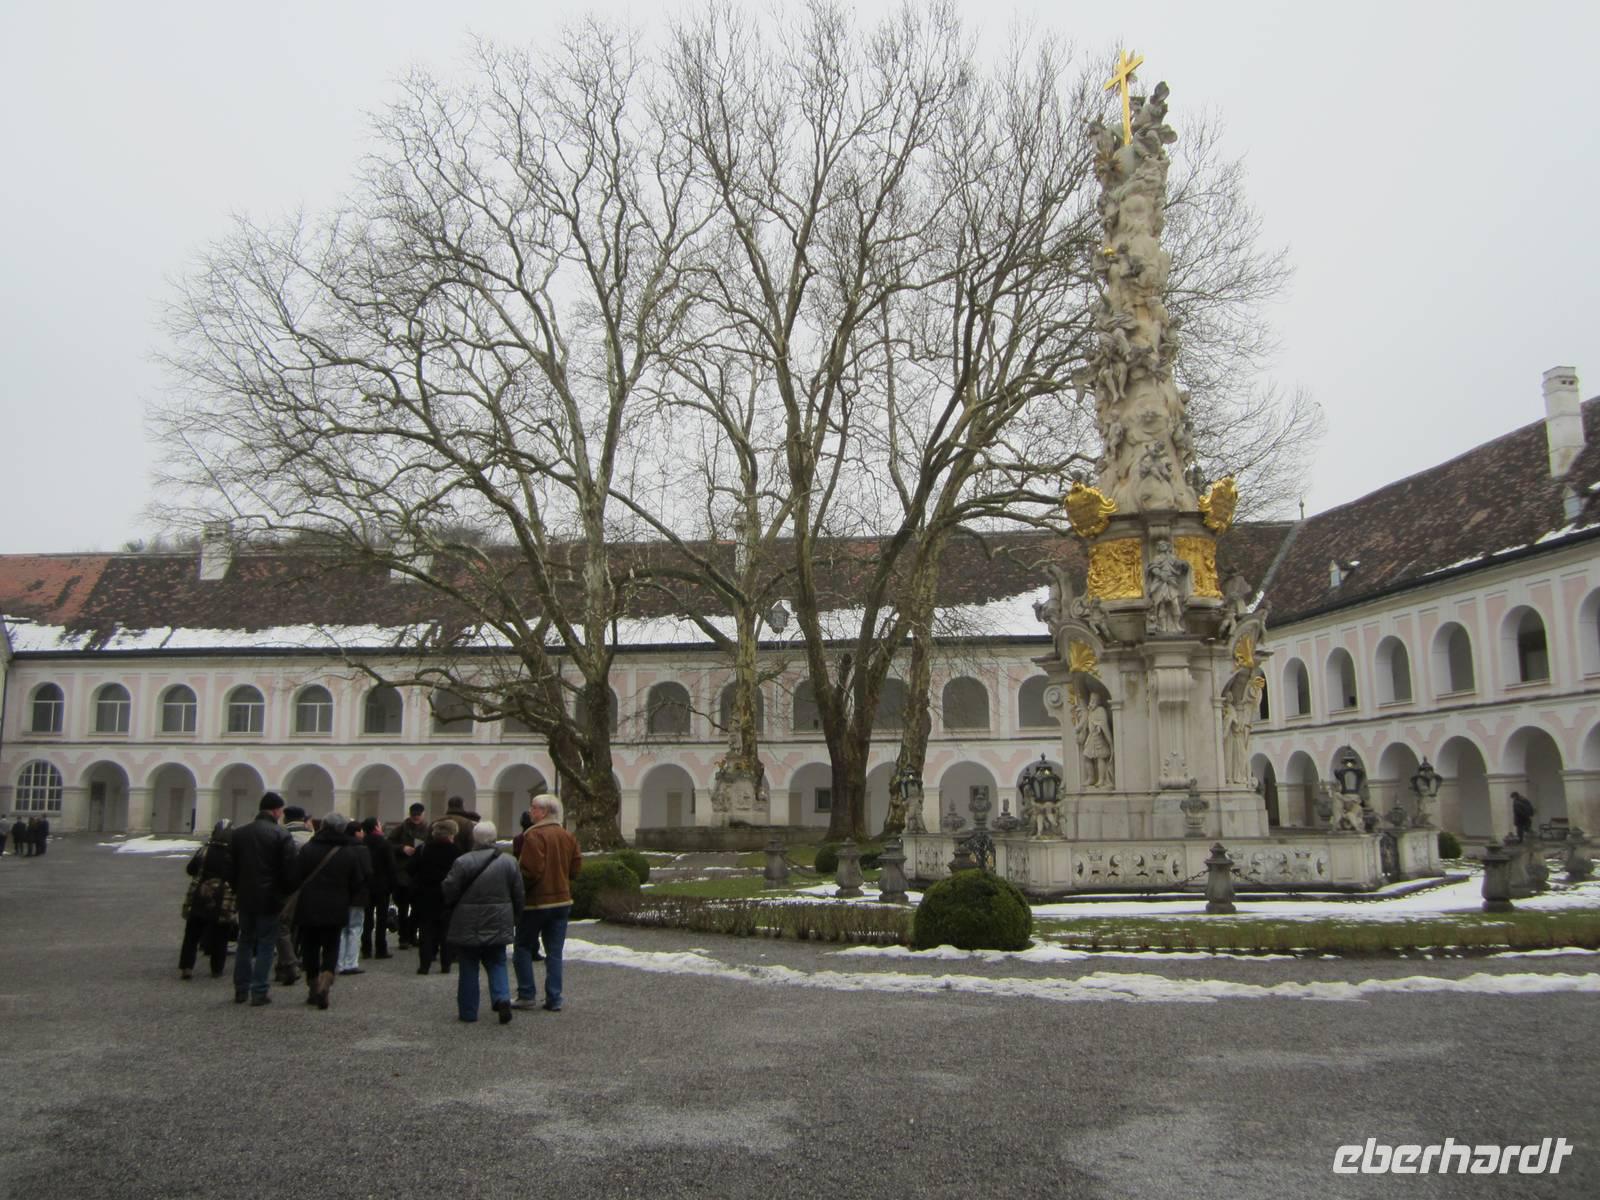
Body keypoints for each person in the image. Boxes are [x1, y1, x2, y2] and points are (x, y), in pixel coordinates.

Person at [442, 821, 523, 1024]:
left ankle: (468, 1012)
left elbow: (449, 889)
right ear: (494, 838)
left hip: (467, 921)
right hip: (499, 919)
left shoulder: (463, 862)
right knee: (497, 961)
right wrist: (516, 916)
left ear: (474, 839)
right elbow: (518, 893)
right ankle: (502, 998)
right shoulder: (509, 862)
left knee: (468, 966)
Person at [290, 812, 371, 1010]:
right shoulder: (348, 852)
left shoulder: (308, 848)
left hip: (309, 905)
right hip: (336, 905)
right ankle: (327, 976)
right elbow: (357, 881)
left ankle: (313, 984)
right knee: (332, 945)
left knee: (310, 946)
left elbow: (295, 876)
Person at [513, 794, 583, 1013]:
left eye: (534, 808)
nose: (530, 811)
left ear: (543, 812)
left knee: (523, 946)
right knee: (554, 952)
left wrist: (520, 887)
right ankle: (554, 997)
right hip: (562, 900)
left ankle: (526, 994)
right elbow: (576, 868)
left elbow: (531, 871)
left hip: (537, 902)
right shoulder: (567, 835)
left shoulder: (533, 835)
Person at [228, 792, 296, 1006]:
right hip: (270, 899)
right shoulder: (281, 834)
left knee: (245, 942)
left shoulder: (239, 834)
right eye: (280, 810)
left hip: (245, 897)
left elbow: (230, 868)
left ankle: (241, 989)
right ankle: (259, 991)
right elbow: (289, 871)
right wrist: (284, 894)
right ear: (276, 810)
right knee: (266, 945)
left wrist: (238, 889)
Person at [179, 819, 236, 980]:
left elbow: (190, 870)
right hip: (224, 898)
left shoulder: (204, 851)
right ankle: (216, 968)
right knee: (221, 935)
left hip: (201, 895)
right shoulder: (233, 854)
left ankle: (187, 966)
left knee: (192, 934)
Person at [272, 806, 315, 986]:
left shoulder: (279, 835)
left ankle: (287, 964)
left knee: (282, 926)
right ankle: (290, 963)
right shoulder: (312, 837)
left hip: (284, 888)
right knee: (297, 927)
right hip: (307, 888)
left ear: (286, 818)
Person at [411, 819, 461, 975]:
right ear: (451, 834)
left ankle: (424, 965)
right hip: (447, 895)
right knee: (446, 930)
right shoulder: (456, 851)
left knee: (426, 931)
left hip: (426, 894)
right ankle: (446, 964)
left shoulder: (423, 849)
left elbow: (411, 868)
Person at [387, 802, 431, 949]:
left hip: (419, 871)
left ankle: (412, 934)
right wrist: (402, 848)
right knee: (403, 907)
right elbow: (389, 845)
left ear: (423, 814)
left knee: (418, 908)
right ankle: (404, 937)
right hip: (403, 872)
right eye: (414, 816)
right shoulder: (401, 828)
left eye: (418, 815)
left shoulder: (428, 829)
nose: (416, 818)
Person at [360, 817, 395, 960]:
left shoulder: (362, 842)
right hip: (382, 885)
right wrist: (392, 884)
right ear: (375, 827)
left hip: (366, 885)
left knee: (367, 918)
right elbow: (391, 866)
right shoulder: (384, 843)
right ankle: (381, 949)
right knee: (381, 918)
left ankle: (366, 948)